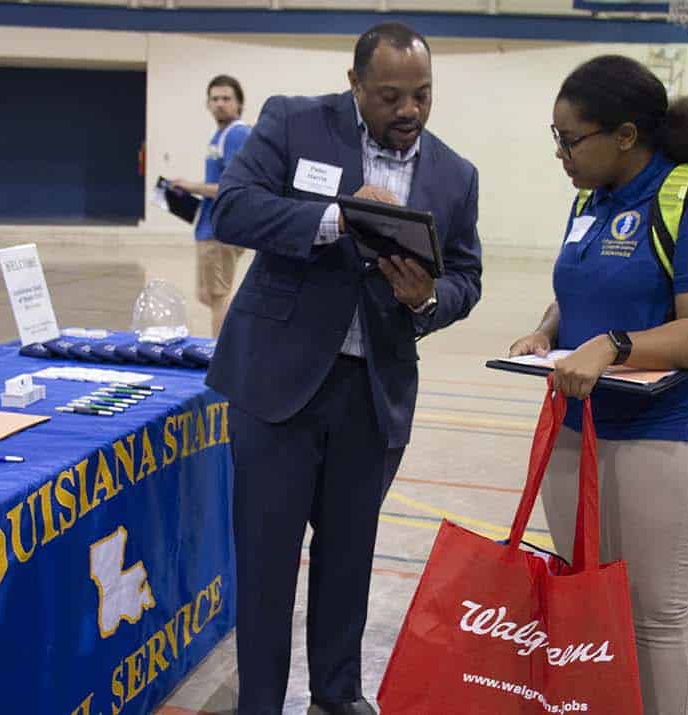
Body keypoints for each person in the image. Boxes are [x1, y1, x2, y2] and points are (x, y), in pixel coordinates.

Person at [207, 23, 483, 715]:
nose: (408, 110)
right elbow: (234, 209)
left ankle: (336, 695)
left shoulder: (455, 174)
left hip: (374, 392)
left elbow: (468, 277)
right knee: (268, 561)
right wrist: (338, 218)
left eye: (422, 94)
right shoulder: (293, 123)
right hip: (279, 386)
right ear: (355, 83)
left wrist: (429, 299)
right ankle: (260, 703)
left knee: (349, 556)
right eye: (389, 95)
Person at [508, 54, 688, 715]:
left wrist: (614, 346)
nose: (560, 153)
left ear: (624, 135)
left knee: (652, 614)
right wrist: (545, 331)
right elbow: (581, 290)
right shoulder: (589, 200)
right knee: (587, 598)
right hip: (578, 428)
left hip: (667, 434)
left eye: (570, 137)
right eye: (554, 136)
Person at [170, 75, 252, 337]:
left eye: (226, 98)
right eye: (214, 99)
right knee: (206, 294)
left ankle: (217, 356)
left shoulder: (237, 134)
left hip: (221, 228)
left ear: (239, 104)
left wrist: (191, 187)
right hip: (207, 225)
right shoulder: (220, 135)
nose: (219, 104)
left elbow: (233, 186)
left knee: (218, 296)